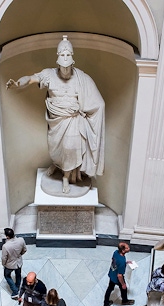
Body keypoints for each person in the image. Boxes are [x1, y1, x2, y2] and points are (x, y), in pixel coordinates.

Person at [6, 35, 105, 194]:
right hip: (56, 121)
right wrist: (18, 83)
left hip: (73, 120)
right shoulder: (49, 75)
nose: (65, 58)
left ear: (72, 57)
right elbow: (31, 79)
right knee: (57, 150)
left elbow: (98, 103)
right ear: (57, 57)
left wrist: (88, 114)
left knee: (70, 147)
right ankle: (58, 165)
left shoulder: (82, 78)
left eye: (68, 55)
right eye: (62, 55)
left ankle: (66, 177)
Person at [103, 242, 134, 306]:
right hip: (117, 278)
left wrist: (125, 263)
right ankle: (125, 301)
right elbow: (119, 275)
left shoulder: (116, 252)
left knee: (109, 289)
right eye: (127, 248)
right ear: (123, 251)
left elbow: (115, 261)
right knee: (124, 288)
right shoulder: (122, 261)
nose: (129, 248)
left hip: (112, 274)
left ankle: (106, 303)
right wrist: (123, 284)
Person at [1, 227, 26, 299]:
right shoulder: (21, 240)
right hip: (19, 262)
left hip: (9, 265)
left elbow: (4, 258)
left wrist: (4, 264)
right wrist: (19, 255)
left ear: (7, 236)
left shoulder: (5, 246)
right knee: (18, 275)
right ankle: (17, 287)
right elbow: (24, 250)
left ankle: (15, 292)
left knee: (7, 276)